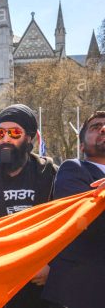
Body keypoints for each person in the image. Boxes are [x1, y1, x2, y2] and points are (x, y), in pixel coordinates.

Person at [0, 104, 57, 308]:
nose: (6, 139)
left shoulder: (50, 173)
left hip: (40, 283)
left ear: (30, 138)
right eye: (0, 132)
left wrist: (54, 268)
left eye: (15, 133)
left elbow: (68, 225)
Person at [42, 111, 105, 308]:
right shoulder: (73, 169)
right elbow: (89, 223)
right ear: (81, 146)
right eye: (95, 127)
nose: (103, 129)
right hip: (85, 290)